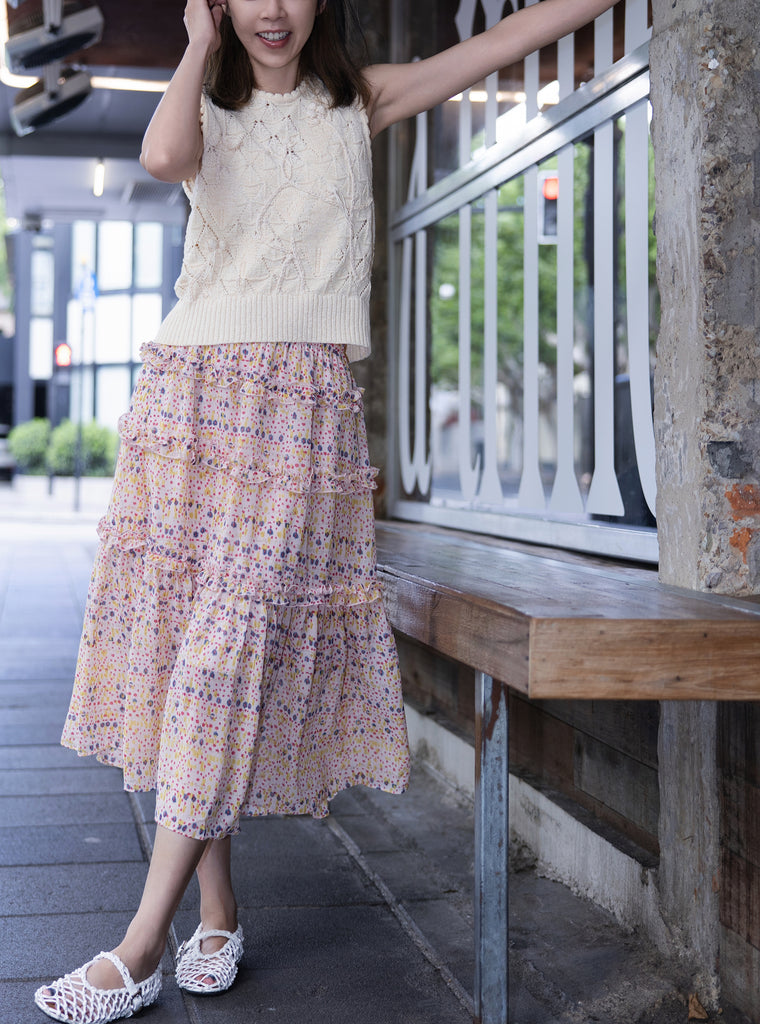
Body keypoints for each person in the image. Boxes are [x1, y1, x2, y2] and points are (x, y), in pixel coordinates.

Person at [34, 0, 621, 1021]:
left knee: (224, 651)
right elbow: (164, 152)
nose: (274, 10)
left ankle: (138, 946)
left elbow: (496, 43)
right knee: (188, 653)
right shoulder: (205, 96)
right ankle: (215, 913)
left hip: (301, 417)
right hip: (190, 405)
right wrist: (192, 47)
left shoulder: (359, 98)